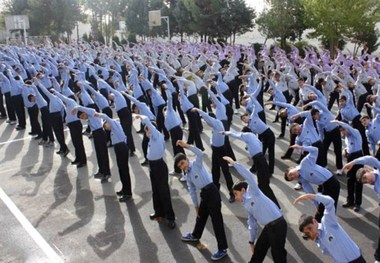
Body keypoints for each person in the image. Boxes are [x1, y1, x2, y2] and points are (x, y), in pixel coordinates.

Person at [224, 156, 287, 263]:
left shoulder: (253, 192)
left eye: (236, 194)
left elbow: (249, 176)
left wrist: (234, 163)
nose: (235, 197)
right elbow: (252, 224)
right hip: (269, 228)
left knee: (278, 255)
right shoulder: (246, 205)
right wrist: (251, 242)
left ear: (243, 190)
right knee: (258, 251)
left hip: (278, 225)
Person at [175, 140, 228, 261]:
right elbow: (192, 191)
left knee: (217, 221)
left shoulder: (196, 164)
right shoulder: (188, 175)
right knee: (200, 216)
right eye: (180, 166)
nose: (183, 166)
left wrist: (187, 146)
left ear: (187, 159)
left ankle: (223, 249)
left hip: (212, 192)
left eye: (183, 163)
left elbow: (200, 153)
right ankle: (195, 235)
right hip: (204, 194)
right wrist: (196, 207)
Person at [295, 193, 366, 263]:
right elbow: (328, 252)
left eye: (309, 228)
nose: (310, 233)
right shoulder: (317, 240)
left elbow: (330, 202)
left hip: (355, 259)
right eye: (307, 233)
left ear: (314, 221)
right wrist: (316, 239)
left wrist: (311, 196)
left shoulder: (327, 222)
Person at [137, 115, 176, 229]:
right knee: (155, 190)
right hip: (153, 166)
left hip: (159, 166)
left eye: (147, 130)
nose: (146, 133)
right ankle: (159, 211)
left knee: (164, 192)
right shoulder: (151, 140)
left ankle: (170, 217)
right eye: (145, 131)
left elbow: (151, 126)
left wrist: (143, 118)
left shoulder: (157, 136)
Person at [284, 145, 340, 222]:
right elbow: (309, 192)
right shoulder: (302, 179)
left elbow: (315, 150)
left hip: (332, 182)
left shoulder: (305, 163)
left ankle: (321, 226)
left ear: (292, 168)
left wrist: (302, 148)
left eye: (291, 174)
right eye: (292, 178)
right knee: (324, 208)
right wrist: (316, 205)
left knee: (329, 208)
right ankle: (321, 226)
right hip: (325, 185)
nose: (293, 176)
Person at [343, 156, 380, 263]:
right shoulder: (375, 187)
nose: (367, 181)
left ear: (368, 170)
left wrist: (353, 162)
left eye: (365, 178)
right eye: (365, 182)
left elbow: (370, 159)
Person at [97, 113, 132, 202]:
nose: (106, 127)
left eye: (105, 125)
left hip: (121, 148)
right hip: (118, 148)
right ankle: (124, 189)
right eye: (105, 127)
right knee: (121, 170)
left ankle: (128, 193)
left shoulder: (114, 124)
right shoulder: (113, 129)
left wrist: (97, 114)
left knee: (124, 170)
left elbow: (105, 117)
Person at [332, 120, 364, 212]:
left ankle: (357, 203)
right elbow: (348, 146)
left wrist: (338, 122)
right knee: (350, 180)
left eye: (344, 130)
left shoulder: (355, 132)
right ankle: (350, 200)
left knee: (359, 180)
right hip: (350, 158)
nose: (343, 133)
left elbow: (348, 127)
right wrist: (345, 150)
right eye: (341, 131)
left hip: (358, 157)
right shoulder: (346, 137)